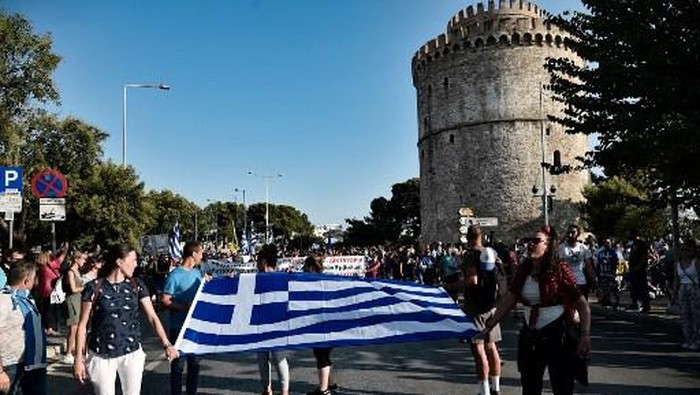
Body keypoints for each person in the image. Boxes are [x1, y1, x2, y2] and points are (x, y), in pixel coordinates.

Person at [483, 226, 591, 395]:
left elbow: (582, 305)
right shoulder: (524, 269)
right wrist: (489, 325)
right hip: (531, 334)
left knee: (562, 387)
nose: (530, 245)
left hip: (558, 334)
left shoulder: (560, 270)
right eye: (528, 241)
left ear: (547, 246)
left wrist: (585, 335)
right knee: (530, 387)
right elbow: (510, 299)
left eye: (535, 241)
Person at [74, 244, 178, 395]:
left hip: (131, 352)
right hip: (101, 354)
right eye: (133, 260)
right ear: (119, 262)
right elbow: (82, 325)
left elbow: (152, 317)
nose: (136, 264)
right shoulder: (94, 287)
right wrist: (79, 359)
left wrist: (166, 344)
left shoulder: (137, 285)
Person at [461, 225, 502, 395]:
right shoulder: (491, 253)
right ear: (481, 236)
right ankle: (496, 388)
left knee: (479, 350)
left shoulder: (470, 255)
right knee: (492, 348)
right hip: (491, 306)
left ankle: (484, 391)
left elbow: (472, 281)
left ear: (468, 237)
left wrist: (450, 285)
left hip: (475, 307)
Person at [161, 241, 204, 395]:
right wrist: (184, 307)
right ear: (193, 254)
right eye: (200, 253)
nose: (202, 256)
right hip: (178, 328)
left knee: (195, 365)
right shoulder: (175, 275)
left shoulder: (198, 273)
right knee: (178, 367)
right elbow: (165, 300)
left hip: (194, 328)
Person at [0, 260, 48, 395]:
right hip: (11, 366)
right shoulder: (3, 300)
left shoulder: (28, 299)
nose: (35, 282)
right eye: (33, 278)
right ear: (26, 281)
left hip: (33, 363)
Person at [256, 244, 290, 395]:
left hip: (263, 323)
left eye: (257, 262)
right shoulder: (283, 277)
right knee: (279, 359)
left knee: (264, 359)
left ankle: (268, 389)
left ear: (263, 262)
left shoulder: (256, 279)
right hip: (278, 322)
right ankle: (283, 391)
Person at [303, 255, 339, 395]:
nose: (303, 270)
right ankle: (331, 384)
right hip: (329, 323)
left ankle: (324, 390)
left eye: (305, 267)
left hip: (321, 325)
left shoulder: (312, 282)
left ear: (311, 267)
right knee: (324, 354)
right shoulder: (327, 280)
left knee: (321, 355)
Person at [671, 241, 700, 350]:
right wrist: (674, 295)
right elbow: (676, 280)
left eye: (687, 249)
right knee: (684, 316)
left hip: (694, 288)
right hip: (683, 290)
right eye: (682, 250)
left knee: (695, 315)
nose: (684, 252)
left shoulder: (696, 262)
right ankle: (688, 338)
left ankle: (696, 339)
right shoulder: (677, 264)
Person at [558, 225, 596, 299]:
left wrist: (594, 281)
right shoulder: (562, 248)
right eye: (569, 232)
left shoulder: (583, 248)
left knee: (583, 308)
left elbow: (589, 267)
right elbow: (560, 266)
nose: (570, 235)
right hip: (567, 282)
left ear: (578, 234)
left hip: (581, 282)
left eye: (573, 232)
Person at [63, 250, 88, 364]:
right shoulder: (71, 272)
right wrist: (85, 288)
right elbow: (73, 289)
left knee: (78, 326)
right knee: (73, 328)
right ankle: (68, 353)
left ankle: (77, 351)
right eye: (82, 259)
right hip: (72, 300)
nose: (84, 261)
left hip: (79, 299)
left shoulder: (78, 271)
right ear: (76, 259)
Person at [627, 230, 651, 313]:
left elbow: (644, 255)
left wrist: (638, 266)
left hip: (639, 269)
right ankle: (635, 303)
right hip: (633, 269)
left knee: (642, 287)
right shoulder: (633, 243)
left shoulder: (640, 243)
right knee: (633, 287)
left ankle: (646, 305)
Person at [595, 238, 620, 308]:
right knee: (605, 288)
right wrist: (597, 274)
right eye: (605, 243)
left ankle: (616, 302)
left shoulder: (614, 252)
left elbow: (617, 262)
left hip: (611, 274)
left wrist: (616, 272)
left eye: (608, 243)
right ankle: (606, 301)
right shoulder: (600, 252)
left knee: (614, 288)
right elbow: (597, 264)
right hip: (603, 273)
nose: (607, 244)